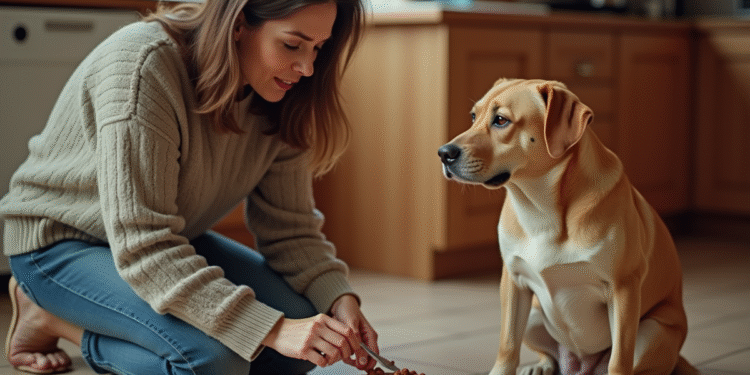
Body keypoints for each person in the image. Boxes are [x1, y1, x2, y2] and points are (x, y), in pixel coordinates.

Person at [0, 0, 379, 374]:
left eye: (318, 48)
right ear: (238, 24)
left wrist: (338, 300)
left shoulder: (283, 95)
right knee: (217, 362)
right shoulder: (144, 63)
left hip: (162, 241)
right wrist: (273, 329)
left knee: (305, 334)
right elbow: (143, 246)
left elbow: (290, 229)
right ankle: (51, 318)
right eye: (292, 45)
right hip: (61, 243)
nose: (307, 67)